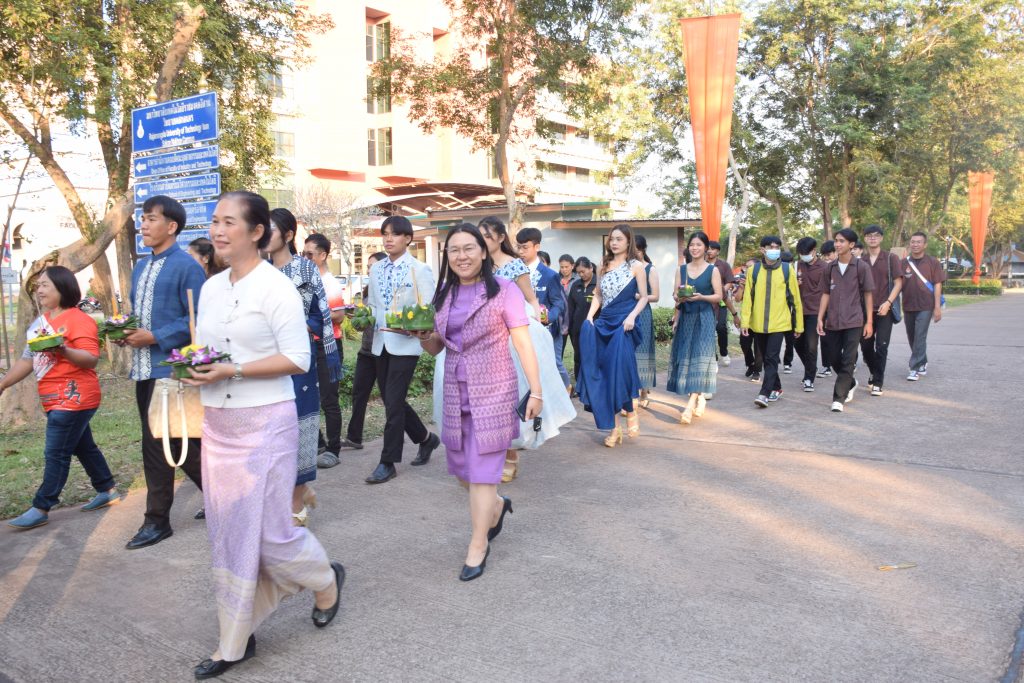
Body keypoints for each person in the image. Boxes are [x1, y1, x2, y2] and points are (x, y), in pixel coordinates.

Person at [184, 191, 343, 679]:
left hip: (266, 424)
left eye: (228, 222)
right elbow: (208, 350)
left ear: (256, 232)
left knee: (272, 536)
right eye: (214, 221)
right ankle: (235, 637)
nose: (217, 230)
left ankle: (325, 581)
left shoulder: (277, 287)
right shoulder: (211, 288)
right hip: (218, 425)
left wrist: (230, 370)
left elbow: (297, 358)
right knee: (227, 534)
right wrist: (196, 367)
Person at [412, 224, 542, 581]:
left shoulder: (503, 290)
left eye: (469, 248)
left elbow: (523, 342)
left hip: (494, 390)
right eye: (454, 250)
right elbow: (437, 346)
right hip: (455, 391)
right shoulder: (444, 293)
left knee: (483, 473)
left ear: (483, 252)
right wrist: (424, 337)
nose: (462, 256)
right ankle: (496, 506)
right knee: (463, 472)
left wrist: (536, 391)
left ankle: (478, 544)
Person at [458, 216, 575, 483]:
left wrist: (537, 329)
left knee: (508, 398)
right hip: (481, 338)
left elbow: (531, 300)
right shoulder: (476, 266)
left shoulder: (514, 265)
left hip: (511, 335)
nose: (481, 241)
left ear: (501, 238)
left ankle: (509, 453)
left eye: (487, 236)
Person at [2, 266, 119, 530]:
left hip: (74, 397)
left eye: (45, 285)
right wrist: (3, 384)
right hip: (53, 397)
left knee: (56, 452)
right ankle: (107, 489)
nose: (39, 290)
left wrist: (62, 349)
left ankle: (41, 506)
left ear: (62, 288)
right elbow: (27, 360)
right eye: (39, 285)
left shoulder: (79, 320)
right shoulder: (40, 323)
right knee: (82, 446)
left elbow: (90, 359)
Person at [121, 195, 207, 550]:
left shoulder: (187, 267)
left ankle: (157, 521)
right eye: (142, 218)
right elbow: (137, 315)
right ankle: (225, 497)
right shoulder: (141, 266)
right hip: (143, 370)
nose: (143, 224)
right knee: (174, 442)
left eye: (151, 218)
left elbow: (197, 318)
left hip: (171, 371)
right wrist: (125, 332)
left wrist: (156, 336)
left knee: (165, 444)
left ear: (171, 226)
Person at [267, 208, 342, 525]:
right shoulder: (257, 270)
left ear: (287, 235)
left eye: (270, 229)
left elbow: (319, 314)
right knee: (270, 428)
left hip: (298, 357)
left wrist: (291, 323)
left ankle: (296, 499)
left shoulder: (305, 269)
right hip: (263, 360)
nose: (263, 234)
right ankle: (286, 494)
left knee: (298, 424)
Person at [364, 216, 440, 484]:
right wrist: (364, 317)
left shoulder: (419, 269)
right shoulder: (376, 269)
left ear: (407, 238)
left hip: (406, 344)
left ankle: (388, 462)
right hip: (380, 341)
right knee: (391, 399)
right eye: (385, 234)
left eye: (394, 234)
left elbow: (429, 308)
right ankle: (426, 439)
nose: (388, 239)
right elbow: (373, 305)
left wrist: (416, 326)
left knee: (393, 402)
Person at [577, 224, 649, 446]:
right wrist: (590, 317)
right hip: (604, 323)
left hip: (624, 324)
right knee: (606, 375)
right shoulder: (603, 264)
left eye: (619, 239)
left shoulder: (637, 266)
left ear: (628, 241)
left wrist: (632, 317)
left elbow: (644, 297)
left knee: (621, 371)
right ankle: (615, 428)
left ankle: (631, 411)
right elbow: (598, 295)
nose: (614, 242)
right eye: (612, 239)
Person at [740, 236, 803, 408]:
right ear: (762, 250)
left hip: (779, 323)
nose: (774, 250)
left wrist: (799, 325)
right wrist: (745, 322)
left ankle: (764, 393)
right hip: (758, 323)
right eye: (770, 247)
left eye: (777, 247)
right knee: (768, 358)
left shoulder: (787, 269)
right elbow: (748, 299)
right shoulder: (753, 271)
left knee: (771, 357)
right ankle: (777, 387)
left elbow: (795, 299)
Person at [667, 232, 723, 423]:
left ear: (706, 248)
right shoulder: (681, 269)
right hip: (686, 317)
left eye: (699, 245)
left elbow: (718, 296)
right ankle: (699, 397)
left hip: (704, 317)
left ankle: (689, 406)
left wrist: (701, 297)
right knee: (687, 358)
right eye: (692, 245)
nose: (695, 248)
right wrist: (680, 297)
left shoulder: (712, 270)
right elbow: (675, 294)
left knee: (700, 358)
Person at [816, 228, 874, 413]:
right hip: (833, 320)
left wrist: (869, 322)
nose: (837, 244)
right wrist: (820, 318)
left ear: (851, 244)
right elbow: (825, 293)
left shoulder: (861, 267)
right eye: (836, 241)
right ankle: (850, 382)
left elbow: (868, 294)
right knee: (833, 357)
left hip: (854, 320)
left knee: (849, 359)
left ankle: (838, 398)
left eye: (841, 241)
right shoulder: (829, 268)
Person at [301, 233, 346, 467]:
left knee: (329, 398)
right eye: (303, 254)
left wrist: (311, 320)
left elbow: (339, 315)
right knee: (307, 395)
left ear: (323, 255)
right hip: (308, 344)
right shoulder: (304, 281)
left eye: (310, 254)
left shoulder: (329, 283)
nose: (305, 258)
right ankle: (317, 442)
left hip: (328, 346)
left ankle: (333, 449)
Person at [339, 251, 388, 453]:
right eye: (367, 267)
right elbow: (365, 321)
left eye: (371, 266)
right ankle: (354, 436)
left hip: (383, 352)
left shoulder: (388, 290)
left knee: (391, 399)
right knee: (359, 393)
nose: (368, 270)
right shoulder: (368, 291)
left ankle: (418, 436)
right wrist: (359, 322)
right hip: (366, 351)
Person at [516, 227, 570, 390]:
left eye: (525, 247)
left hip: (546, 330)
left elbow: (559, 303)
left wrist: (547, 317)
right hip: (521, 330)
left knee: (552, 367)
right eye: (518, 247)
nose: (521, 251)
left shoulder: (549, 275)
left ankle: (564, 389)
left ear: (536, 247)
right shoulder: (514, 272)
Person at [860, 224, 903, 396]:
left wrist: (888, 302)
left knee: (882, 346)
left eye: (876, 235)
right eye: (869, 235)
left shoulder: (891, 258)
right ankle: (873, 371)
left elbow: (898, 283)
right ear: (865, 238)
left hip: (885, 309)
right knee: (865, 346)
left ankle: (878, 382)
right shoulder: (860, 260)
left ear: (881, 238)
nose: (872, 238)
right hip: (865, 311)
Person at [901, 231, 945, 381]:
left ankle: (913, 368)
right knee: (912, 337)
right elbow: (897, 283)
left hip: (926, 305)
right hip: (908, 305)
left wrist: (937, 307)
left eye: (918, 242)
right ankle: (922, 361)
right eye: (913, 242)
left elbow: (937, 284)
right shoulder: (903, 263)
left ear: (925, 245)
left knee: (920, 335)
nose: (915, 244)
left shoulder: (933, 262)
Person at [794, 237, 828, 392]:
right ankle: (811, 367)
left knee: (811, 345)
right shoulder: (797, 266)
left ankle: (809, 378)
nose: (803, 256)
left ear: (814, 251)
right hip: (799, 311)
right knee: (797, 343)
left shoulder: (825, 267)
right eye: (801, 253)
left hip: (816, 311)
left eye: (806, 253)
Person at [633, 235, 659, 406]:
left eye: (637, 250)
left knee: (642, 350)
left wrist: (639, 296)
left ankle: (643, 390)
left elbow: (655, 296)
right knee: (629, 352)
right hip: (626, 313)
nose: (634, 253)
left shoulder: (650, 269)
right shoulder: (626, 268)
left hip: (643, 314)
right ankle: (632, 391)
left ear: (643, 250)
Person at [706, 240, 739, 367]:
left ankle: (724, 352)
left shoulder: (724, 265)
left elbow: (730, 282)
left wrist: (720, 292)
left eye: (712, 249)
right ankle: (713, 356)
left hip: (721, 302)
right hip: (706, 302)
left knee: (721, 327)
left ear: (718, 251)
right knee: (708, 329)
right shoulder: (702, 264)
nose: (709, 251)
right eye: (708, 248)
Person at [567, 256, 598, 389]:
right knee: (578, 357)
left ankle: (593, 385)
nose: (581, 274)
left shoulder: (598, 284)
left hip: (595, 328)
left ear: (591, 268)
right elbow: (570, 308)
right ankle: (580, 386)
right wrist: (569, 327)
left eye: (583, 271)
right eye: (578, 272)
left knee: (594, 357)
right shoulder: (576, 285)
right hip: (577, 329)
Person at [735, 259, 762, 382]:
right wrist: (742, 287)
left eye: (750, 267)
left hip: (760, 319)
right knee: (744, 342)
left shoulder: (761, 281)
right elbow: (737, 299)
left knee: (758, 347)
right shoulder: (744, 282)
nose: (747, 269)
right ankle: (750, 364)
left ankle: (757, 370)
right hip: (747, 320)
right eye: (746, 267)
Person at [816, 239, 837, 378]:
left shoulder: (847, 267)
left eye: (829, 254)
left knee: (842, 340)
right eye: (824, 255)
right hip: (825, 309)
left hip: (843, 310)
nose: (827, 258)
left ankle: (849, 363)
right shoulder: (824, 269)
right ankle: (826, 366)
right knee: (824, 338)